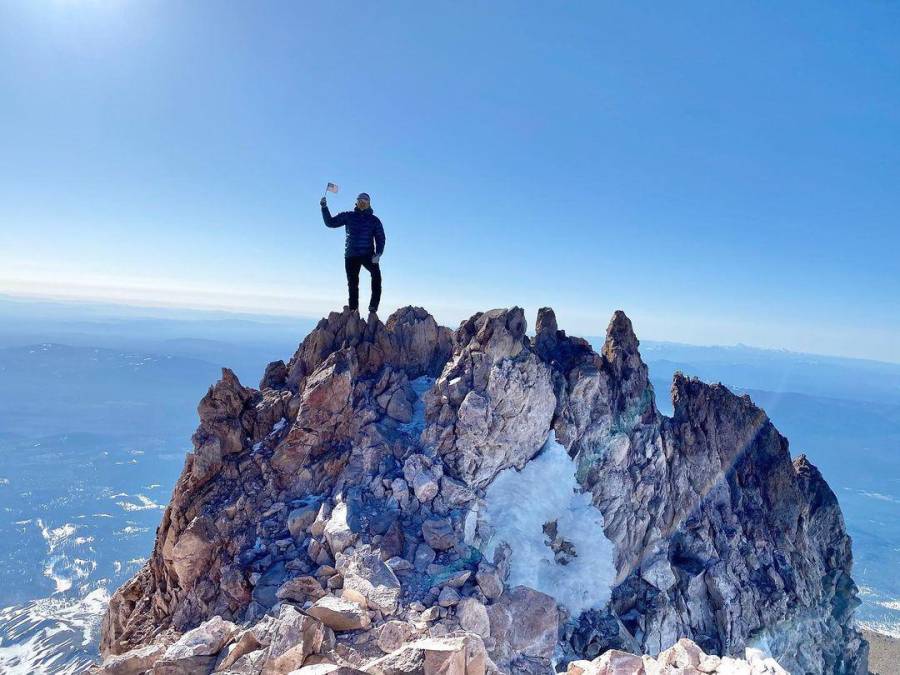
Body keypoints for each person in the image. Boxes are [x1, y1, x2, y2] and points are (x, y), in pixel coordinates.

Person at [320, 192, 386, 314]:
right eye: (360, 200)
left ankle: (373, 307)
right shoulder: (349, 216)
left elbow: (380, 238)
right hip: (351, 255)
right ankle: (353, 310)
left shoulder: (374, 220)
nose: (362, 202)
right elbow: (330, 223)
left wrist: (378, 253)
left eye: (365, 201)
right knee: (352, 283)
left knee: (376, 277)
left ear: (369, 204)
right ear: (356, 202)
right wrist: (324, 208)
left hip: (368, 255)